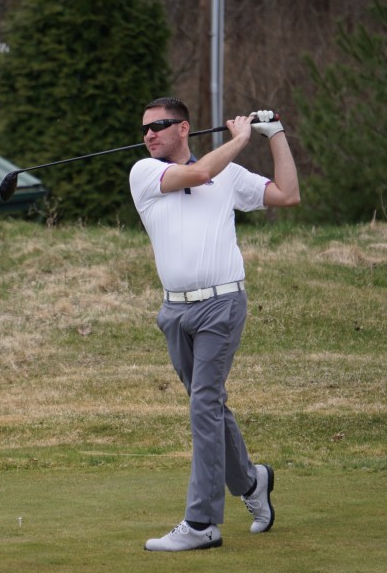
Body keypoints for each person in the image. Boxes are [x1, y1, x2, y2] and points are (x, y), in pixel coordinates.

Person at [129, 98, 300, 552]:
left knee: (204, 404)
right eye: (145, 128)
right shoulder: (144, 172)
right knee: (209, 406)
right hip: (174, 312)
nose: (149, 134)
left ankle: (201, 523)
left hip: (222, 305)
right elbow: (201, 172)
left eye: (160, 125)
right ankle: (251, 481)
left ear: (184, 128)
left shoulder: (229, 175)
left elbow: (288, 195)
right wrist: (241, 138)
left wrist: (275, 135)